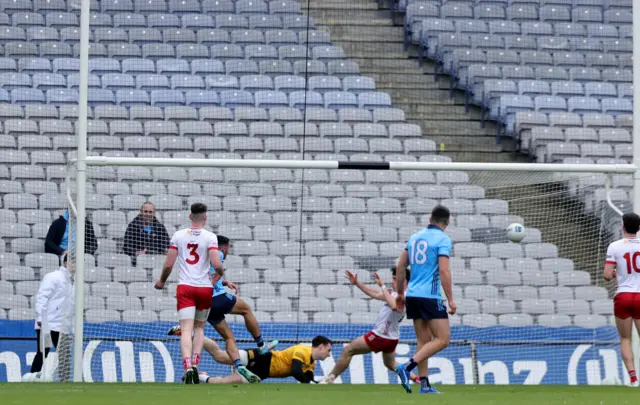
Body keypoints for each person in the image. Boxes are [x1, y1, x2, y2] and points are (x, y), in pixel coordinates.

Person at [154, 203, 257, 384]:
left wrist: (162, 281)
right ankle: (195, 362)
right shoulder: (210, 237)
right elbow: (218, 265)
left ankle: (188, 367)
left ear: (189, 216)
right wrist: (217, 277)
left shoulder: (179, 235)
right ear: (205, 217)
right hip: (204, 289)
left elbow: (169, 264)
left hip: (185, 288)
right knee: (199, 328)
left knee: (186, 329)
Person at [168, 235, 277, 369]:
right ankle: (261, 345)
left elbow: (206, 275)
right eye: (228, 248)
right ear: (223, 247)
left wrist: (224, 282)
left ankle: (238, 365)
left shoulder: (199, 257)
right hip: (217, 297)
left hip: (205, 301)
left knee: (229, 337)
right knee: (246, 309)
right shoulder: (217, 252)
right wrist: (216, 282)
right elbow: (216, 273)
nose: (228, 251)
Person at [321, 267, 420, 385]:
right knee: (391, 364)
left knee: (348, 349)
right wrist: (357, 283)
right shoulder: (394, 294)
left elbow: (394, 306)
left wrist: (382, 286)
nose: (392, 281)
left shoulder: (405, 295)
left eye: (395, 279)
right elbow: (375, 293)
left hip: (381, 336)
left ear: (404, 281)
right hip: (392, 338)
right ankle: (416, 379)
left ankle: (330, 379)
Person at [395, 205, 456, 394]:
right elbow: (444, 270)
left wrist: (399, 294)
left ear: (430, 219)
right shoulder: (443, 240)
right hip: (430, 296)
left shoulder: (414, 238)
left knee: (424, 341)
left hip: (412, 294)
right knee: (443, 339)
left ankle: (424, 385)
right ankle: (406, 367)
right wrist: (451, 299)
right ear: (448, 222)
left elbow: (400, 266)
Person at [198, 336, 333, 384]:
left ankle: (202, 377)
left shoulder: (311, 363)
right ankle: (196, 335)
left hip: (260, 374)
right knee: (220, 356)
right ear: (321, 346)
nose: (329, 354)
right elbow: (296, 371)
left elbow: (308, 378)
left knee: (223, 382)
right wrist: (312, 383)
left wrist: (319, 382)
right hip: (261, 358)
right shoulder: (302, 350)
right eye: (328, 350)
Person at [604, 212, 640, 387]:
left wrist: (613, 273)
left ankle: (633, 378)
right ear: (639, 228)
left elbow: (606, 276)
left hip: (623, 296)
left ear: (622, 226)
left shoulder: (614, 246)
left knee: (626, 339)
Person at [30, 254, 73, 381]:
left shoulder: (72, 282)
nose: (77, 265)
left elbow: (71, 306)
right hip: (48, 323)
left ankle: (64, 381)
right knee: (43, 352)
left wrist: (72, 326)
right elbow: (42, 297)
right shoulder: (53, 277)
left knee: (65, 356)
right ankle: (33, 378)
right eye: (74, 262)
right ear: (66, 263)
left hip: (62, 325)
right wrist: (40, 318)